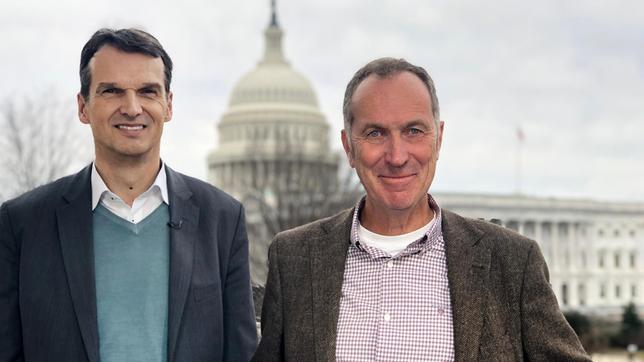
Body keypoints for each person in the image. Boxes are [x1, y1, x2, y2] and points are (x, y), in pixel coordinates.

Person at [253, 58, 591, 361]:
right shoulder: (294, 259)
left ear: (438, 139)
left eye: (414, 131)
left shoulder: (512, 262)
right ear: (348, 147)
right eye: (375, 133)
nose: (397, 156)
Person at [0, 28, 257, 362]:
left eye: (148, 91)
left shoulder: (222, 219)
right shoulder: (22, 224)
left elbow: (241, 354)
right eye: (112, 91)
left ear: (168, 105)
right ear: (83, 107)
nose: (132, 108)